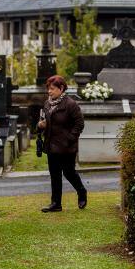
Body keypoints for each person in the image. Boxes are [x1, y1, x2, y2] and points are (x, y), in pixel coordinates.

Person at [37, 75, 87, 212]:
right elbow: (43, 121)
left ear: (61, 88)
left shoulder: (71, 104)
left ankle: (82, 192)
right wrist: (40, 126)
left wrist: (69, 139)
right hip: (51, 145)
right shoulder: (47, 104)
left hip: (66, 147)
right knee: (54, 174)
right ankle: (56, 204)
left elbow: (80, 124)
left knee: (69, 173)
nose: (49, 91)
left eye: (52, 89)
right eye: (48, 89)